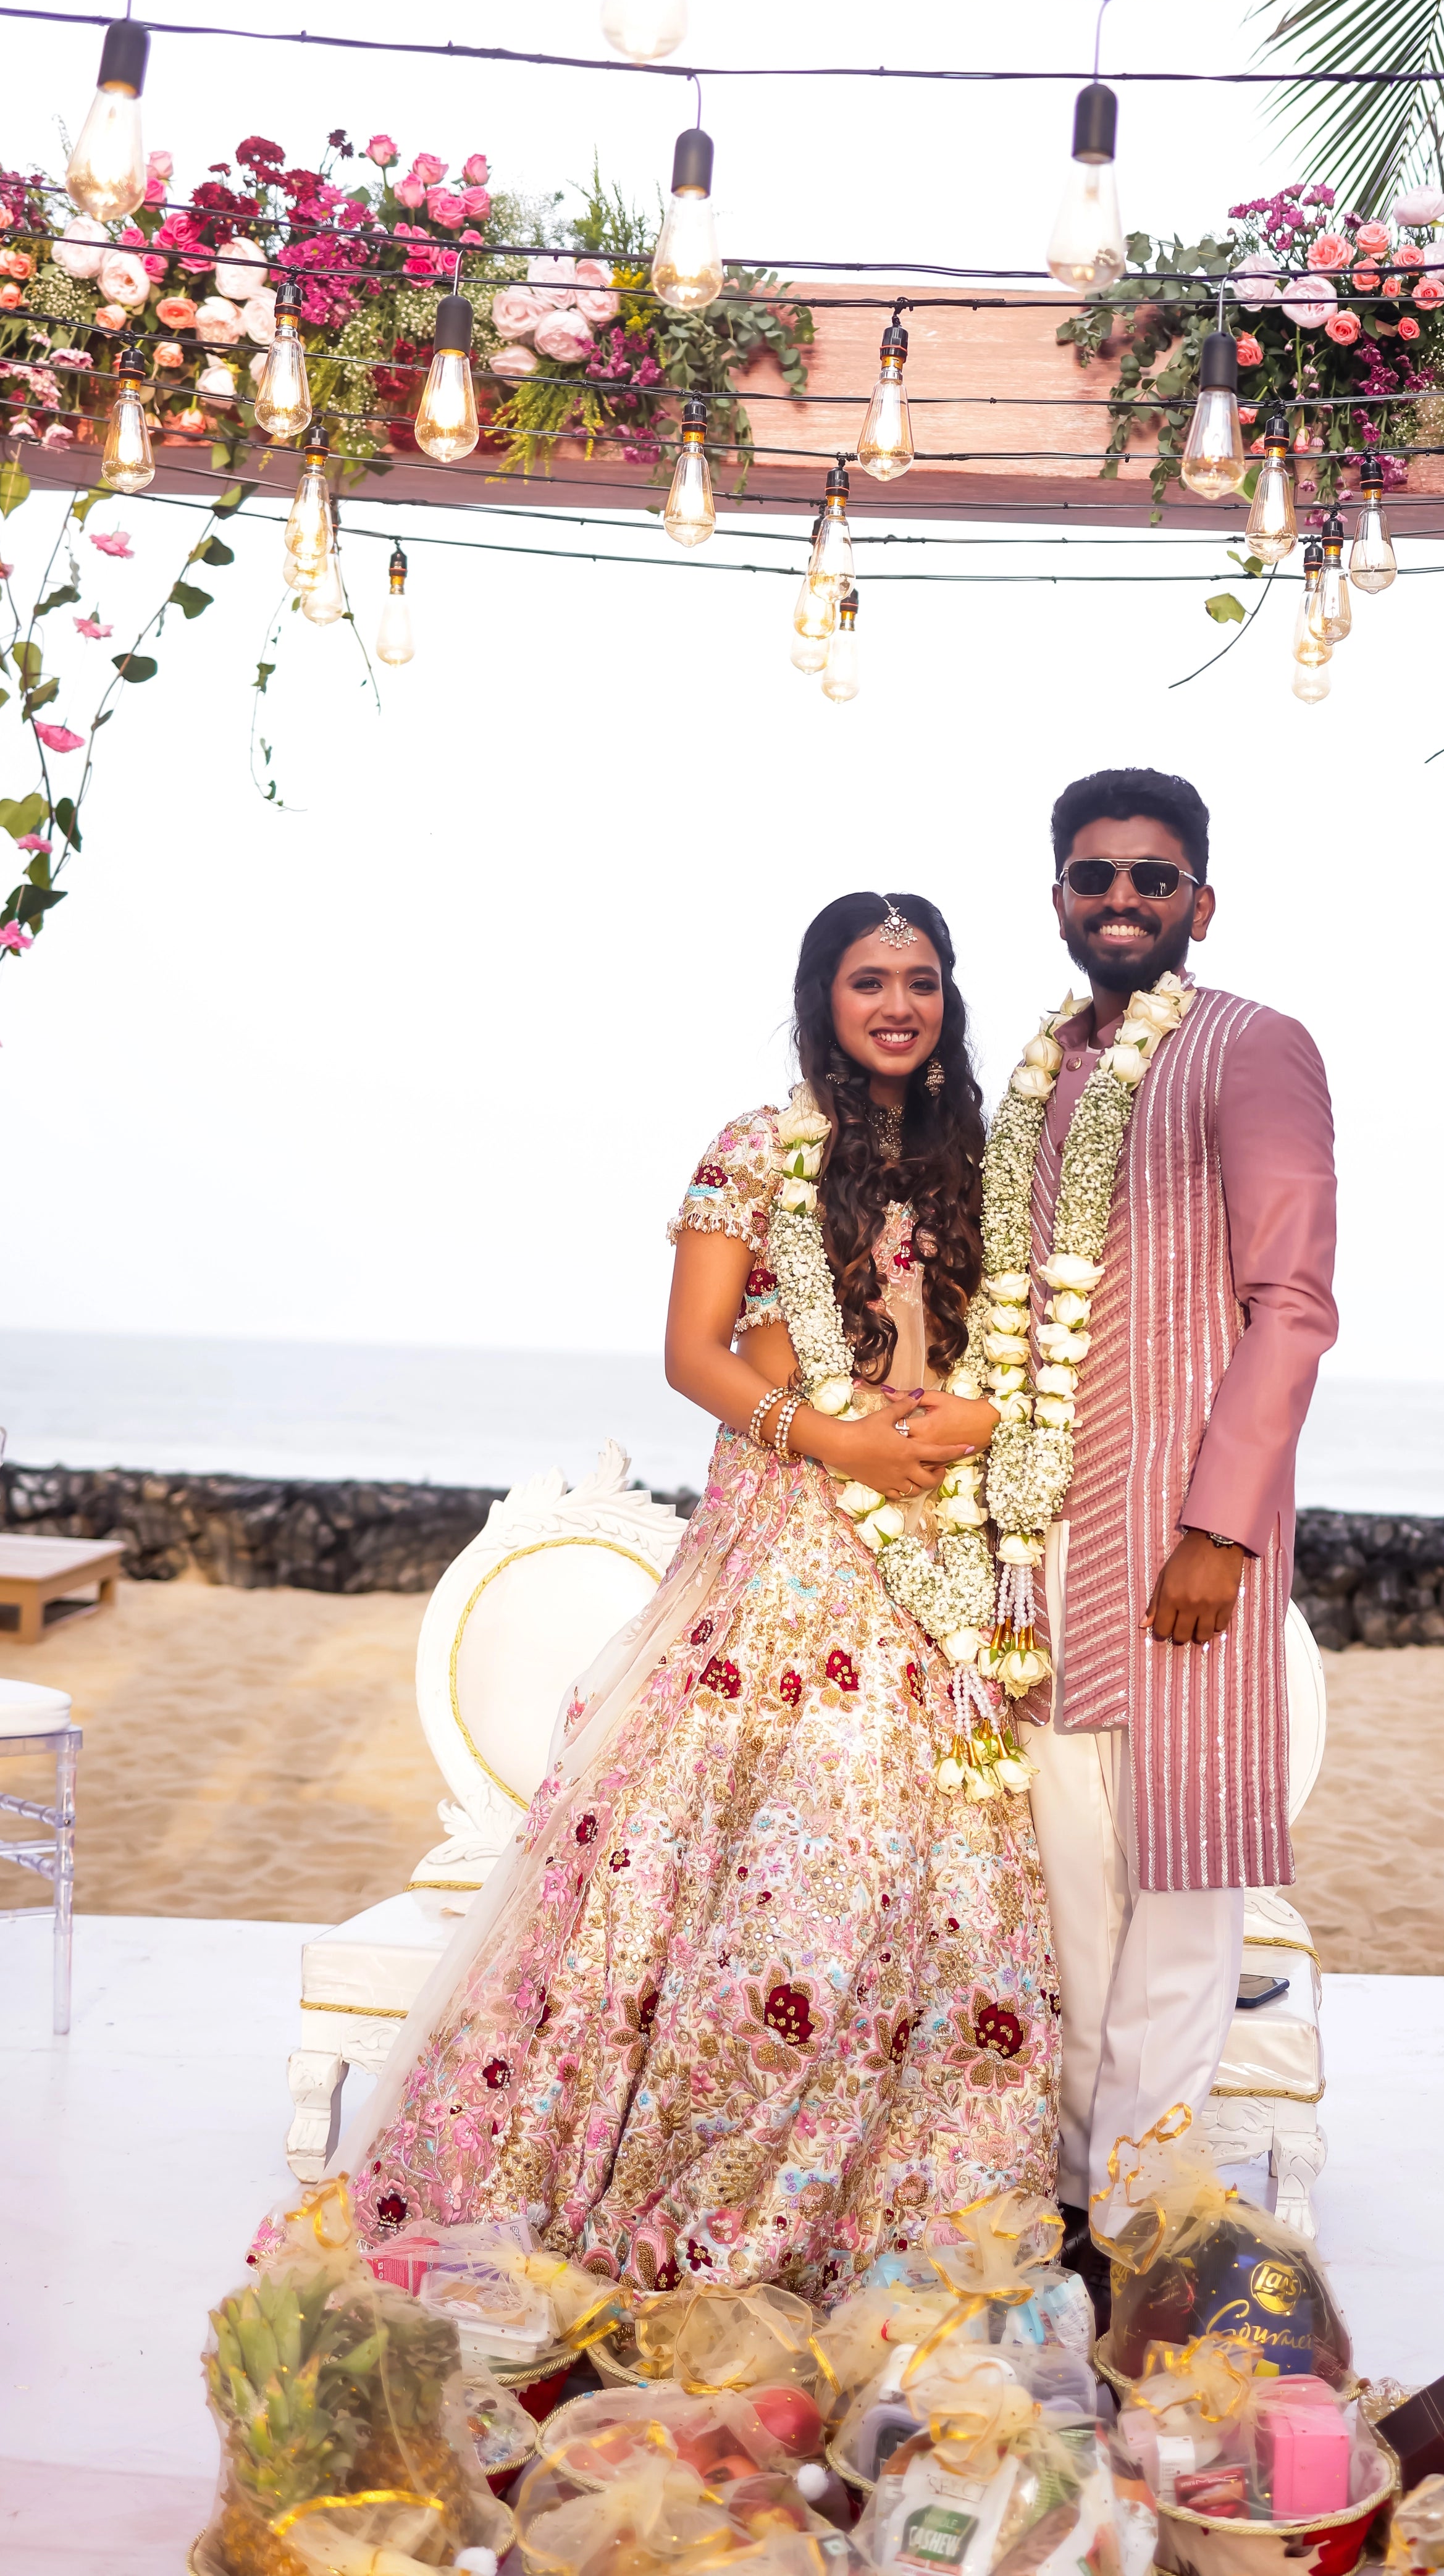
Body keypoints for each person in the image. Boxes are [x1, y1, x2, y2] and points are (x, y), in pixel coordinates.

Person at [343, 892, 1058, 2300]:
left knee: (931, 1858)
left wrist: (965, 1420)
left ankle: (891, 2197)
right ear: (822, 997)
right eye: (870, 980)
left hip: (931, 1544)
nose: (898, 1004)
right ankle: (672, 2166)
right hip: (788, 1539)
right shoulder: (756, 1146)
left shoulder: (984, 1159)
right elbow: (693, 1351)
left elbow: (1027, 1344)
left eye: (921, 978)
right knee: (750, 1844)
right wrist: (831, 1436)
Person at [1015, 768, 1338, 2267]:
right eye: (1097, 878)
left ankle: (1141, 2224)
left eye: (1153, 878)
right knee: (1073, 1902)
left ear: (1200, 900)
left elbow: (1292, 1304)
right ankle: (1083, 2206)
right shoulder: (1031, 1077)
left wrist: (1220, 1528)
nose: (1123, 901)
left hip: (1180, 1543)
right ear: (1062, 897)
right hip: (1037, 1549)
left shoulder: (1250, 1049)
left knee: (1183, 1893)